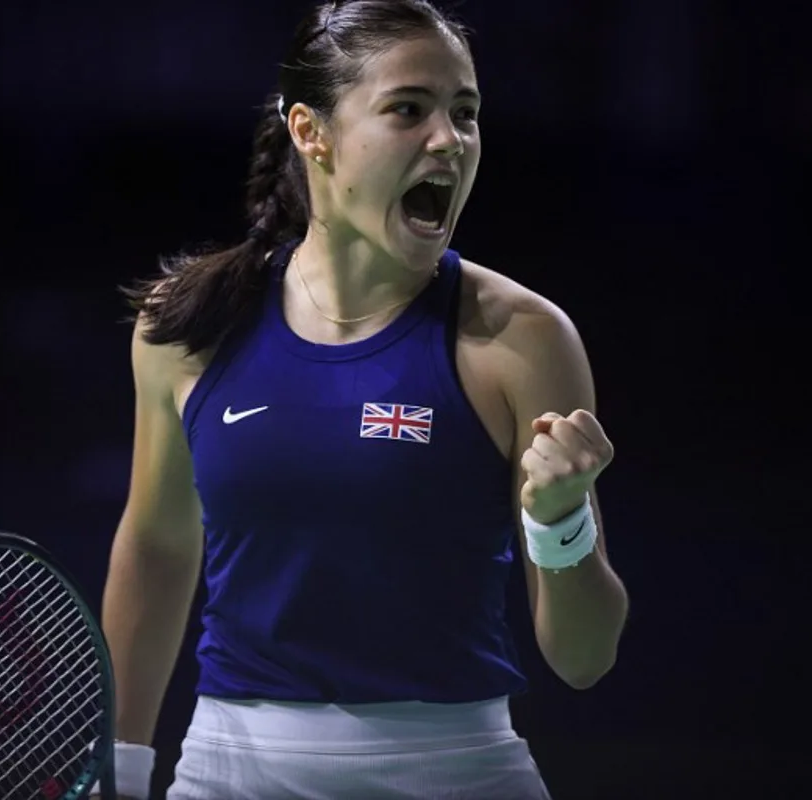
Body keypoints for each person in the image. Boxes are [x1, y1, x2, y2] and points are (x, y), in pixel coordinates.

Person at [99, 1, 630, 797]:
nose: (449, 140)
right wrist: (124, 767)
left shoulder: (525, 340)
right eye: (408, 110)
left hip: (460, 771)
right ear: (313, 133)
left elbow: (584, 660)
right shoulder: (190, 326)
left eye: (466, 113)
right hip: (232, 772)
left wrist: (561, 522)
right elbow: (158, 550)